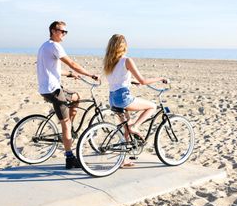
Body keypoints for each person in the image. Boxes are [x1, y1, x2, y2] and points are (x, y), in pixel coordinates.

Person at [37, 21, 99, 169]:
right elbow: (71, 63)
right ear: (53, 31)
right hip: (54, 90)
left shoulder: (45, 46)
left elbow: (55, 70)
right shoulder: (54, 46)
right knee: (65, 123)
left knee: (76, 96)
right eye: (61, 31)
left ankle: (68, 128)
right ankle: (69, 158)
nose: (64, 34)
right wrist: (90, 74)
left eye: (66, 32)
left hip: (47, 88)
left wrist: (71, 75)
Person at [103, 34, 167, 143]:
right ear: (124, 46)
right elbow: (143, 81)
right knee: (152, 106)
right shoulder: (126, 60)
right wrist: (160, 78)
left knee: (127, 126)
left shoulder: (109, 62)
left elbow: (117, 79)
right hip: (123, 99)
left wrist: (131, 81)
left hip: (113, 99)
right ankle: (136, 126)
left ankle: (123, 157)